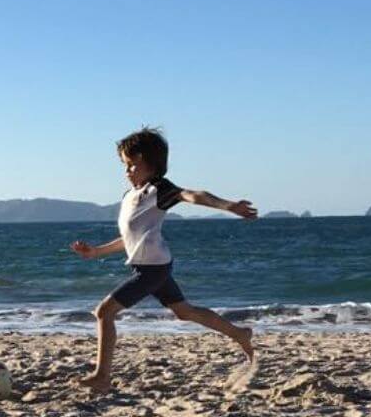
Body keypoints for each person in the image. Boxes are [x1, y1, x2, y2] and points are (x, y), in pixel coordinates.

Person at [70, 127, 257, 393]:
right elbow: (129, 238)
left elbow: (193, 195)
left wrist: (228, 206)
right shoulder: (130, 197)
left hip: (153, 270)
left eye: (133, 165)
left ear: (152, 164)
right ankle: (239, 333)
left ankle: (102, 376)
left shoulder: (158, 189)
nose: (128, 171)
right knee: (185, 312)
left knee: (104, 312)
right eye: (125, 165)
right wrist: (95, 252)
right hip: (151, 266)